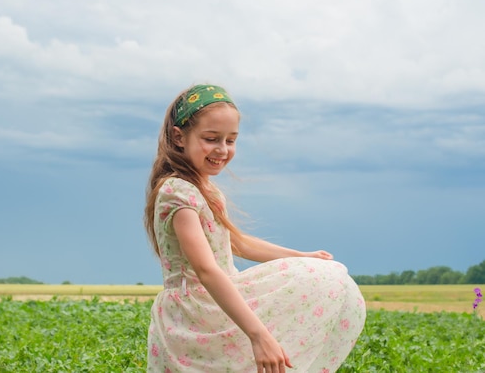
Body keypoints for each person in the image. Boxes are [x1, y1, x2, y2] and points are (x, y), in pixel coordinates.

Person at [144, 84, 366, 372]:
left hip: (216, 301)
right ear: (178, 137)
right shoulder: (176, 192)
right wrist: (259, 335)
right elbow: (206, 269)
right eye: (211, 139)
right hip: (197, 312)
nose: (222, 150)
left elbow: (236, 243)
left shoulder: (204, 190)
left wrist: (300, 256)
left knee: (327, 274)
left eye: (231, 140)